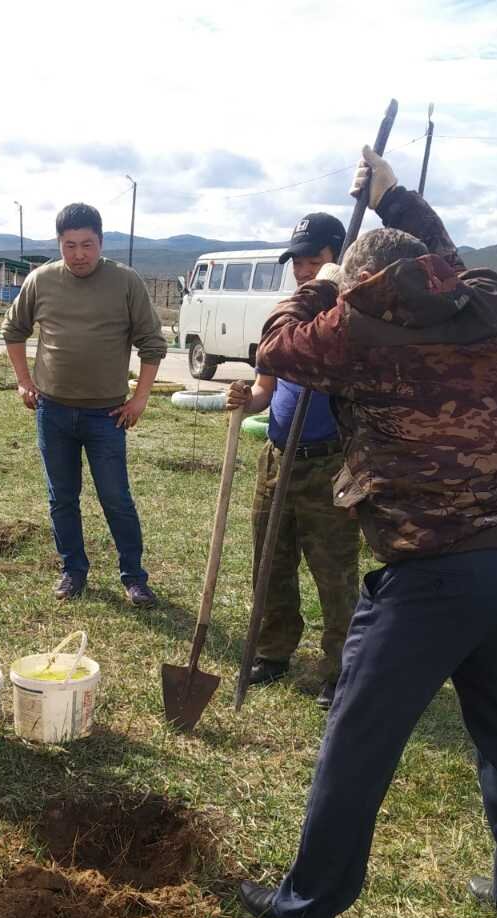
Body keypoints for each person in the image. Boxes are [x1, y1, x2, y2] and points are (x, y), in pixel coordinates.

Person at [235, 147, 497, 918]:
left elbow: (277, 347)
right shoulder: (489, 303)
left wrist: (316, 284)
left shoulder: (356, 334)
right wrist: (394, 199)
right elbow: (444, 258)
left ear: (356, 288)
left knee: (359, 737)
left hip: (436, 571)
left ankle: (308, 905)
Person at [2, 203, 168, 607]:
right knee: (62, 497)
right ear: (59, 244)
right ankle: (73, 571)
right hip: (53, 411)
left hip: (107, 415)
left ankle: (134, 577)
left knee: (116, 498)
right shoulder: (41, 281)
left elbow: (152, 344)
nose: (79, 254)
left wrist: (140, 398)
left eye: (87, 245)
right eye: (70, 245)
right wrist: (24, 382)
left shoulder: (126, 283)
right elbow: (13, 331)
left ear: (101, 242)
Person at [226, 212, 360, 710]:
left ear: (337, 260)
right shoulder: (287, 317)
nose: (304, 271)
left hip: (331, 466)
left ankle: (339, 669)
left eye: (314, 261)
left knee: (334, 573)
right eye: (298, 263)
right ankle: (273, 651)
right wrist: (248, 399)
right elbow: (266, 388)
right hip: (277, 458)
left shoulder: (351, 321)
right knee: (271, 563)